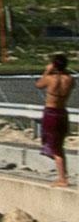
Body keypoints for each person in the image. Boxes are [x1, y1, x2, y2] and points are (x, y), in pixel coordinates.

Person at [39, 53, 72, 187]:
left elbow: (39, 84)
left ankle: (62, 178)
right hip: (62, 112)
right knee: (59, 145)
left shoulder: (50, 79)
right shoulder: (70, 79)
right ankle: (63, 174)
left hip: (51, 112)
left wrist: (47, 71)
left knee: (55, 147)